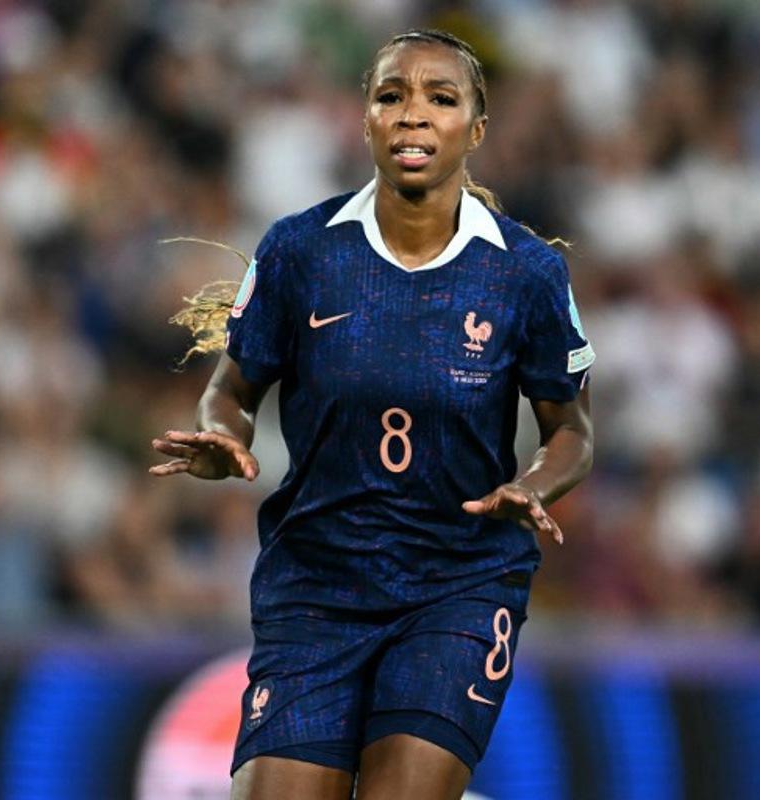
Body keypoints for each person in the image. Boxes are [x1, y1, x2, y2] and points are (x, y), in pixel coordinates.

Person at [150, 29, 594, 800]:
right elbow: (231, 389)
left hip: (456, 580)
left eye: (441, 99)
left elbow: (573, 429)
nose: (413, 115)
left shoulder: (526, 272)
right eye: (392, 95)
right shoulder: (299, 252)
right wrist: (225, 434)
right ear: (364, 119)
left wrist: (536, 484)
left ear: (476, 130)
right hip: (318, 583)